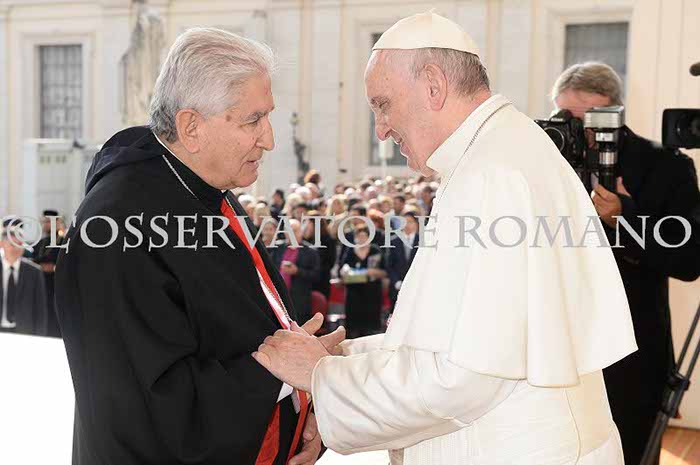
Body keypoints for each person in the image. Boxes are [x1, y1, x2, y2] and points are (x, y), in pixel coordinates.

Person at [252, 11, 638, 465]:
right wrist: (344, 357)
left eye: (383, 104)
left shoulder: (490, 174)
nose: (381, 128)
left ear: (433, 85)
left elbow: (459, 379)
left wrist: (321, 376)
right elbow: (452, 339)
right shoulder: (504, 148)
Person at [55, 28, 343, 465]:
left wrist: (305, 407)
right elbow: (153, 405)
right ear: (191, 126)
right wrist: (281, 372)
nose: (269, 139)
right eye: (252, 121)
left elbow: (242, 330)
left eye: (268, 117)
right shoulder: (118, 226)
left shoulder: (207, 189)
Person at [552, 61, 700, 465]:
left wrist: (626, 217)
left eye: (589, 119)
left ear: (615, 113)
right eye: (566, 117)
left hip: (631, 356)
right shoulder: (545, 162)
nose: (578, 130)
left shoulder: (666, 165)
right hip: (556, 351)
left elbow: (689, 259)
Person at [1, 222, 48, 336]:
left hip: (24, 333)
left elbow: (41, 310)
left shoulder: (34, 272)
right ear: (1, 244)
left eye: (19, 244)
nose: (16, 248)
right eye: (12, 244)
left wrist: (39, 338)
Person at [338, 226, 386, 338]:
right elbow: (342, 270)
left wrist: (372, 272)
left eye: (364, 236)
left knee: (370, 328)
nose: (361, 239)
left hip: (372, 293)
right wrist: (345, 272)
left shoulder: (375, 251)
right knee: (353, 328)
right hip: (353, 294)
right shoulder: (350, 251)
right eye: (359, 236)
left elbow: (384, 272)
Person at [271, 219, 321, 325]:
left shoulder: (310, 251)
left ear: (301, 232)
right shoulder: (277, 248)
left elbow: (316, 276)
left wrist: (297, 271)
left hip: (299, 300)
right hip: (279, 297)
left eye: (294, 231)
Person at [32, 210, 66, 337]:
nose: (45, 224)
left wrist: (53, 267)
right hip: (41, 286)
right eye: (44, 221)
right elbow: (33, 260)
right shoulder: (41, 242)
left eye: (48, 221)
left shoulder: (64, 242)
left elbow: (65, 263)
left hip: (56, 286)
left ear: (57, 222)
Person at [386, 211, 420, 310]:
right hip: (397, 287)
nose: (407, 225)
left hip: (416, 286)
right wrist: (396, 282)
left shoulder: (423, 240)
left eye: (410, 222)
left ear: (416, 224)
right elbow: (389, 265)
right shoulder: (393, 241)